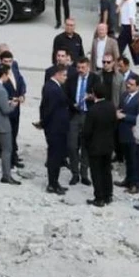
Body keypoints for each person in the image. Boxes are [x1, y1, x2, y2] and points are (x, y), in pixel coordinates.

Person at [0, 45, 27, 168]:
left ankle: (13, 157)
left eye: (10, 59)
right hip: (4, 106)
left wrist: (22, 94)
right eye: (5, 59)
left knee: (14, 131)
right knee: (5, 137)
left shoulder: (15, 65)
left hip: (16, 105)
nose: (9, 62)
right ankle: (7, 162)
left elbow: (20, 80)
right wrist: (8, 100)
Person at [83, 82, 117, 207]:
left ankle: (99, 197)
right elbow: (114, 125)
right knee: (106, 170)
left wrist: (86, 144)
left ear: (93, 94)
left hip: (95, 146)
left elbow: (87, 131)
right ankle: (108, 195)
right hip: (108, 145)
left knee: (96, 172)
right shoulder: (111, 107)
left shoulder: (93, 110)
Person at [39, 63, 70, 195]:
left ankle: (54, 182)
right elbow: (48, 110)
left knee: (55, 155)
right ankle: (52, 184)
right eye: (64, 75)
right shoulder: (53, 89)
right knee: (54, 156)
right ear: (56, 74)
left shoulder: (52, 86)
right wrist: (44, 123)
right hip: (55, 128)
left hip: (56, 126)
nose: (66, 78)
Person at [67, 57, 97, 186]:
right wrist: (71, 104)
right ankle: (74, 173)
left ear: (88, 67)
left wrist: (91, 97)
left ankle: (84, 173)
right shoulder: (72, 78)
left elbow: (101, 95)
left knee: (86, 145)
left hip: (88, 114)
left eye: (83, 68)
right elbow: (66, 95)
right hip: (74, 115)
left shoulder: (95, 79)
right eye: (78, 67)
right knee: (72, 145)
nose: (80, 70)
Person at [115, 75, 139, 195]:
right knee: (127, 159)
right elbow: (121, 109)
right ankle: (128, 180)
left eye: (131, 84)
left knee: (134, 160)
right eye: (128, 83)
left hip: (132, 134)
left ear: (138, 86)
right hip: (122, 132)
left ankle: (135, 184)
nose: (128, 85)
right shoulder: (124, 95)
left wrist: (125, 116)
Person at [118, 0, 139, 68]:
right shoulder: (125, 1)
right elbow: (117, 10)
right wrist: (122, 1)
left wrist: (132, 29)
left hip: (128, 26)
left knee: (120, 45)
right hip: (124, 26)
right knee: (132, 45)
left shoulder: (131, 2)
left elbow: (131, 16)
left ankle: (117, 59)